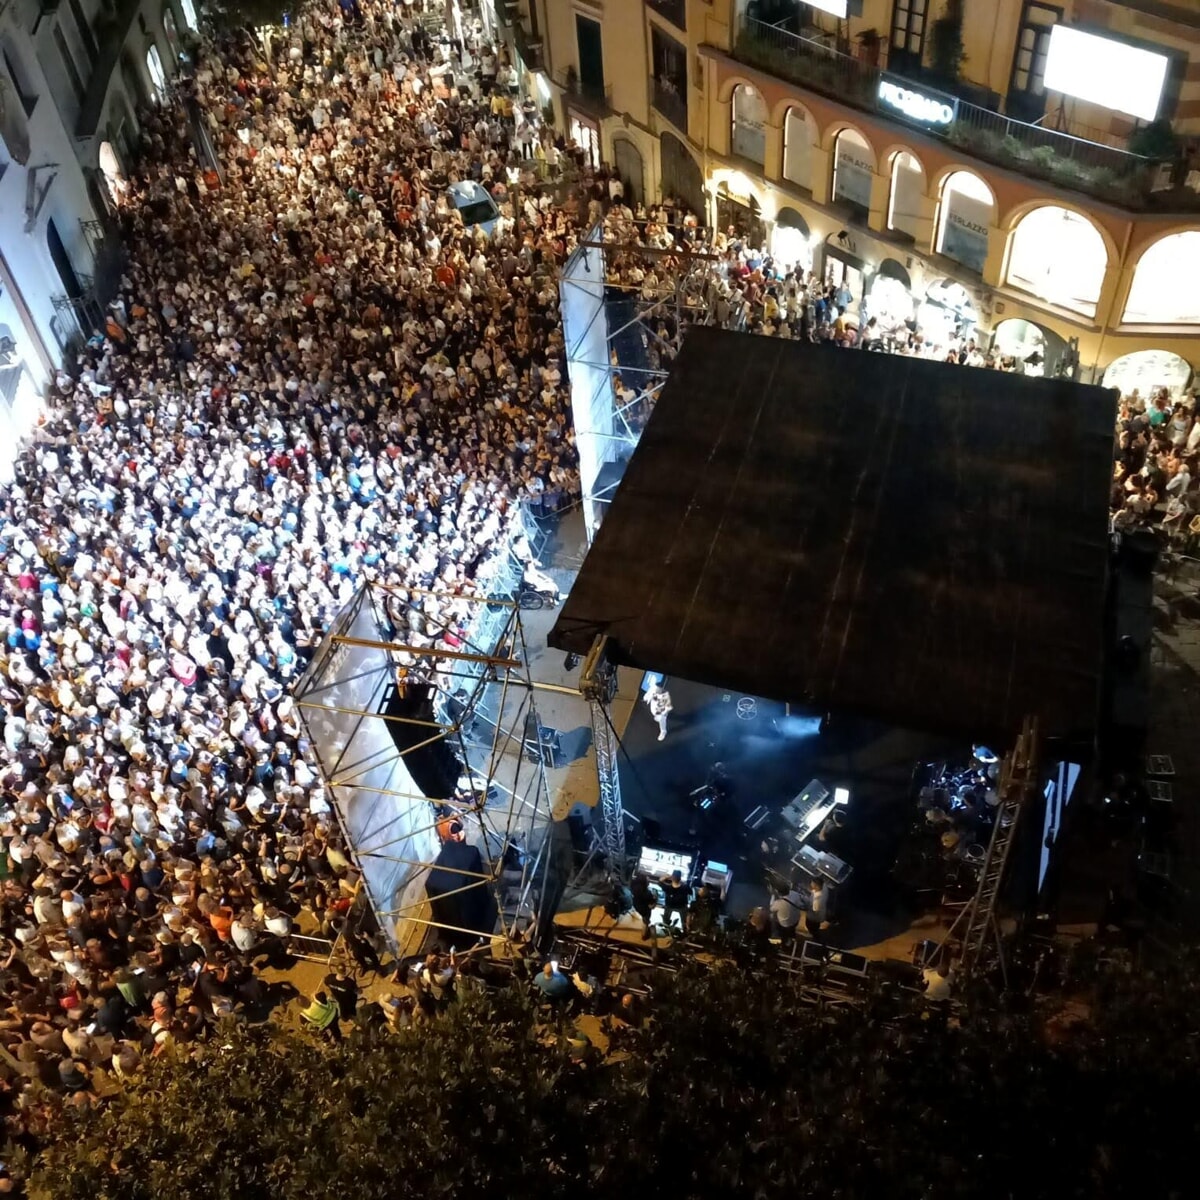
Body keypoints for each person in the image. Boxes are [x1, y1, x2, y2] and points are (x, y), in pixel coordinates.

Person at [630, 872, 655, 940]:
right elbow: (651, 906)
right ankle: (644, 935)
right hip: (644, 909)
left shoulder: (633, 887)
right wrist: (655, 899)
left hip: (636, 905)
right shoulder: (648, 893)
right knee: (646, 920)